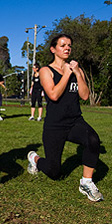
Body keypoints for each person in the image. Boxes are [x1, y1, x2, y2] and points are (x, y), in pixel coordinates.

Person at [27, 34, 103, 202]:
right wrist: (67, 74)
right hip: (55, 125)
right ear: (53, 49)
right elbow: (53, 95)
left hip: (75, 121)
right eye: (63, 45)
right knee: (55, 172)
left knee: (93, 140)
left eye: (69, 45)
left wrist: (77, 72)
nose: (67, 48)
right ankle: (35, 158)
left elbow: (84, 95)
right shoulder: (46, 70)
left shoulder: (76, 70)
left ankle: (86, 182)